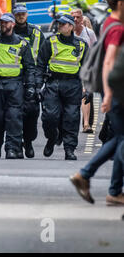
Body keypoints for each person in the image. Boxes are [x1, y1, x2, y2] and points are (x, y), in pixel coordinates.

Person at [70, 0, 124, 205]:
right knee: (121, 138)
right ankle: (85, 174)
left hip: (114, 88)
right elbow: (109, 61)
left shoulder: (109, 22)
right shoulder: (117, 29)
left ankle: (113, 191)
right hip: (117, 90)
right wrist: (108, 95)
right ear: (120, 4)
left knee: (119, 138)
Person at [0, 13, 36, 159]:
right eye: (1, 23)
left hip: (15, 84)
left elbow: (29, 67)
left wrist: (30, 86)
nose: (3, 25)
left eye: (6, 23)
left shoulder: (22, 44)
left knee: (14, 117)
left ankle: (12, 148)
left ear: (13, 24)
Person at [36, 14, 89, 161]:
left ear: (71, 26)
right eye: (59, 24)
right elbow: (40, 64)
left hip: (73, 85)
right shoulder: (50, 41)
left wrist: (89, 87)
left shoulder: (82, 45)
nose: (60, 26)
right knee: (50, 117)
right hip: (53, 84)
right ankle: (52, 138)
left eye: (63, 24)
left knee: (71, 118)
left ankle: (69, 149)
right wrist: (37, 86)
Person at [12, 4, 45, 158]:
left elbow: (44, 56)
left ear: (27, 14)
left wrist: (41, 79)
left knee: (32, 113)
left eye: (23, 14)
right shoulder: (8, 31)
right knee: (14, 114)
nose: (20, 16)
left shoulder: (37, 33)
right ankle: (16, 145)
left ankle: (28, 141)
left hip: (33, 77)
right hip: (15, 77)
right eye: (18, 14)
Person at [71, 8, 97, 134]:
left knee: (85, 94)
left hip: (86, 68)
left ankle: (86, 124)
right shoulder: (66, 33)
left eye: (78, 17)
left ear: (82, 18)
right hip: (70, 69)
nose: (75, 20)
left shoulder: (89, 33)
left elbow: (95, 50)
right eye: (73, 17)